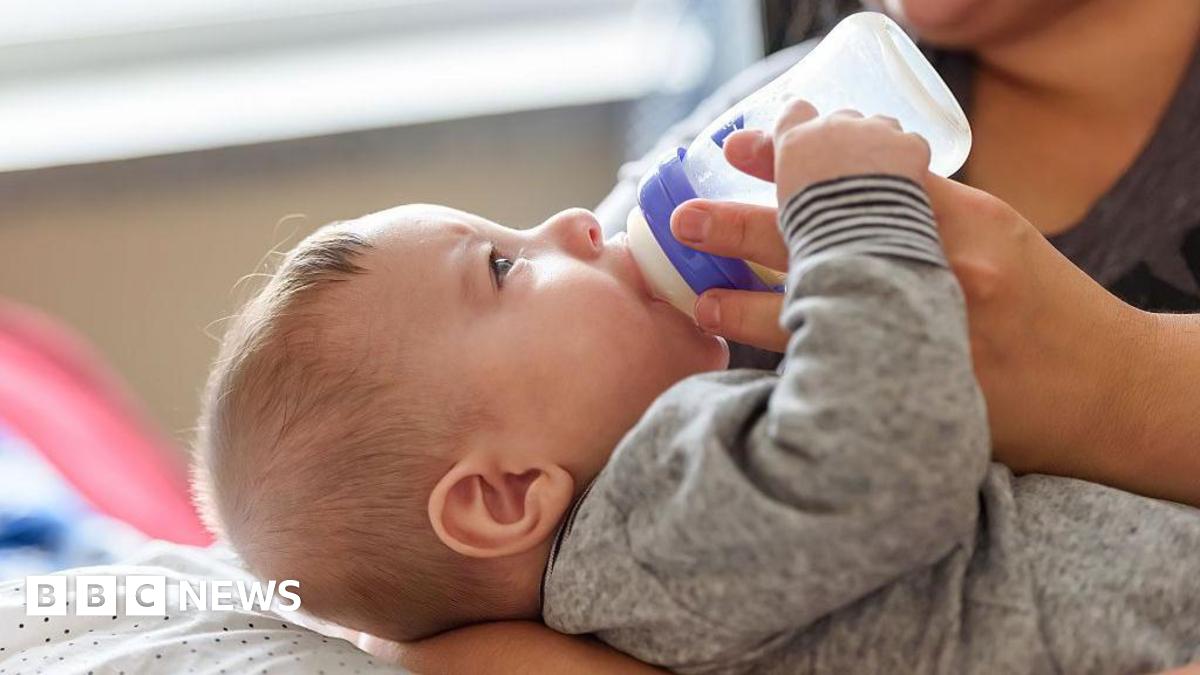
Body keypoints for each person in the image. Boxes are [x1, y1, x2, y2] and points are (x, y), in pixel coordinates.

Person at [391, 0, 1200, 671]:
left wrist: (1116, 377)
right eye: (503, 264)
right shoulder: (647, 504)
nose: (572, 221)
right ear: (498, 497)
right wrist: (858, 215)